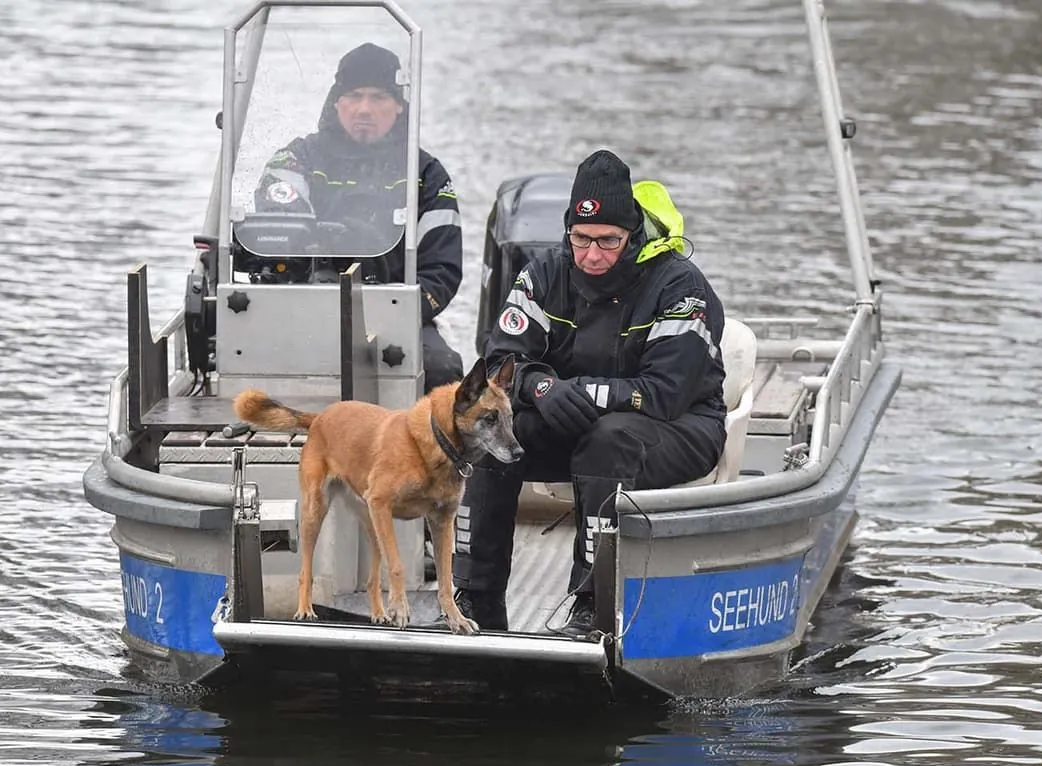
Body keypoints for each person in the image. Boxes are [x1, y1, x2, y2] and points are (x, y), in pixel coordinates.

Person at [452, 149, 728, 637]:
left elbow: (665, 393)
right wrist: (539, 385)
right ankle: (475, 600)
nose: (593, 255)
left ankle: (591, 606)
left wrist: (575, 391)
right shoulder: (544, 272)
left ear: (632, 235)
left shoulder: (680, 286)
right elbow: (499, 361)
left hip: (678, 428)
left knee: (609, 439)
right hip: (572, 416)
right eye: (581, 239)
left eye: (608, 241)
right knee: (488, 435)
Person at [254, 42, 464, 393]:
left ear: (399, 105)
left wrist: (390, 312)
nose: (364, 108)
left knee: (443, 369)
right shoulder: (295, 158)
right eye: (354, 95)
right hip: (301, 309)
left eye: (378, 97)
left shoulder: (426, 174)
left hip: (394, 315)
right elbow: (277, 226)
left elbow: (442, 271)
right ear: (337, 101)